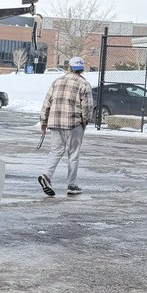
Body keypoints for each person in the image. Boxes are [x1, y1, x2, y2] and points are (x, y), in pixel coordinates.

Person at [37, 56, 93, 197]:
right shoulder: (84, 84)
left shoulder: (57, 82)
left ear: (69, 67)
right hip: (74, 123)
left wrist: (44, 121)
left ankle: (46, 175)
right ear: (82, 69)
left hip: (55, 122)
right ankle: (71, 185)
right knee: (73, 153)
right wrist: (85, 122)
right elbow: (87, 107)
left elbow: (47, 102)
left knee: (56, 150)